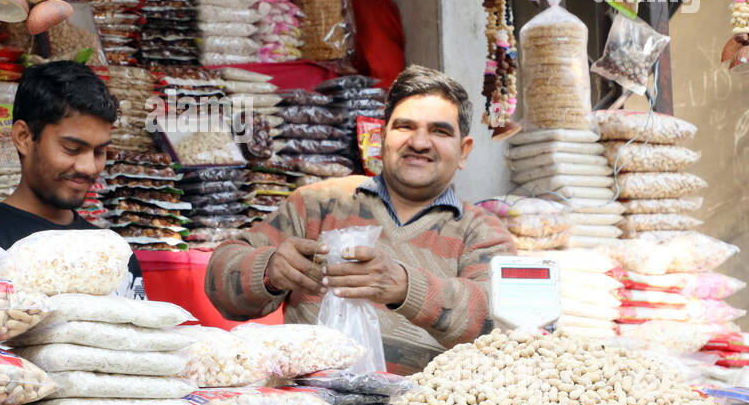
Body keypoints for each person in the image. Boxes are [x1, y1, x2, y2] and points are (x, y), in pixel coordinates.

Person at [205, 64, 516, 373]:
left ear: (464, 151)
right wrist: (269, 271)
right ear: (381, 139)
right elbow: (220, 281)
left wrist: (408, 288)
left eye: (439, 131)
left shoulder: (482, 232)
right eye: (405, 127)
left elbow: (504, 326)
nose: (420, 143)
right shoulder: (319, 204)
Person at [0, 61, 144, 295]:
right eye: (71, 148)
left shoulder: (113, 254)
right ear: (24, 137)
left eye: (100, 152)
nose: (89, 167)